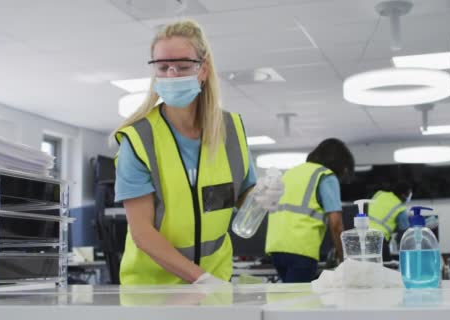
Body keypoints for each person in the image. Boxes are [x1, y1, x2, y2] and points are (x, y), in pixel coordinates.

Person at [112, 20, 282, 285]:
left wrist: (263, 195)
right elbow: (142, 232)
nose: (171, 75)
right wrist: (200, 279)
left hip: (216, 279)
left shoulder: (231, 131)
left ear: (203, 70)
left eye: (182, 67)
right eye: (162, 67)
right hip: (153, 289)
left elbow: (239, 197)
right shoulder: (138, 140)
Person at [265, 138, 354, 283]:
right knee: (299, 301)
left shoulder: (290, 173)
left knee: (289, 298)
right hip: (301, 250)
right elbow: (336, 223)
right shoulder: (326, 176)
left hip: (275, 248)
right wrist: (343, 257)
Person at [367, 181, 412, 261]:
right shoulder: (400, 209)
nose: (410, 196)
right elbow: (404, 234)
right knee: (385, 267)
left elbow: (376, 212)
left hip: (363, 234)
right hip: (379, 240)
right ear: (403, 195)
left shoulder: (379, 194)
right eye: (408, 194)